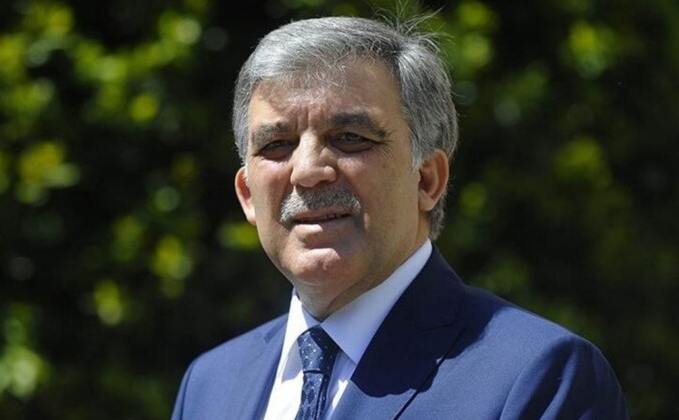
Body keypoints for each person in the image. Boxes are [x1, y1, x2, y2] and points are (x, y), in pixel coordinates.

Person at [172, 15, 628, 420]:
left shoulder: (539, 377)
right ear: (248, 195)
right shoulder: (210, 385)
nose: (307, 171)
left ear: (427, 179)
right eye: (276, 145)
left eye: (350, 137)